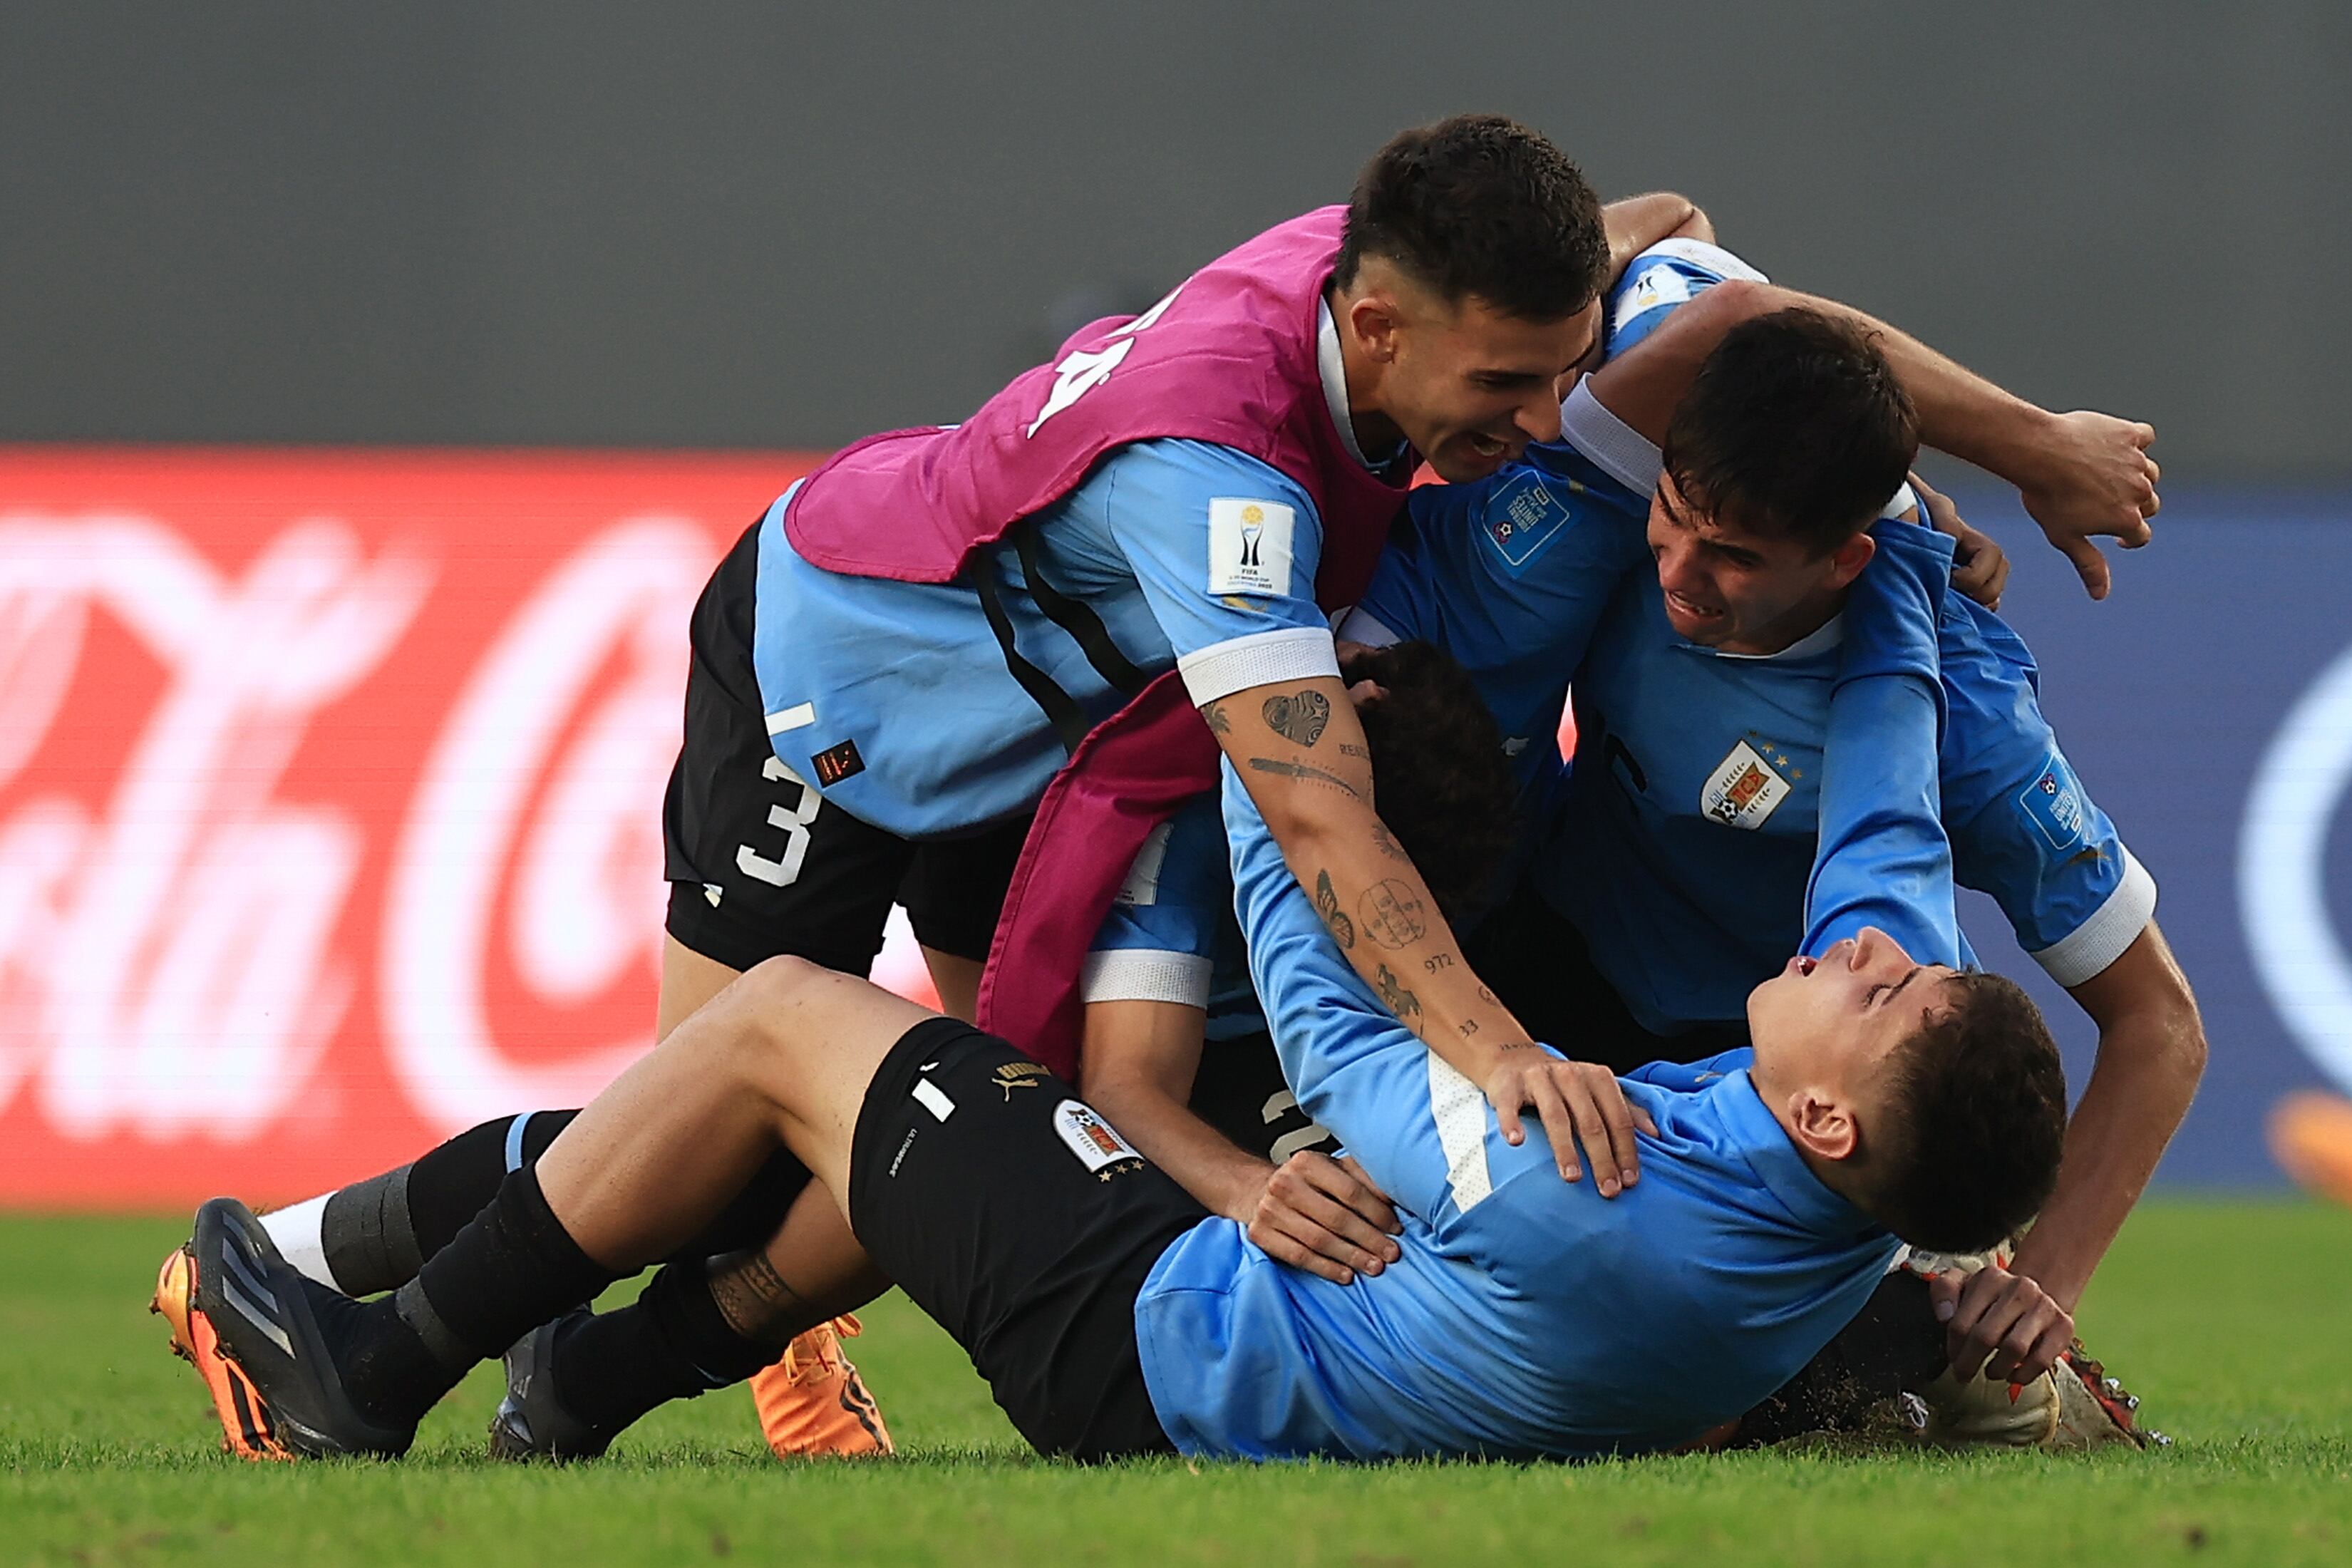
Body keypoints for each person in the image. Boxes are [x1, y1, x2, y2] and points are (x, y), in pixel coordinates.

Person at [159, 625, 2074, 1462]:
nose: (1866, 955)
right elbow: (1891, 831)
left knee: (781, 1033)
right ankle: (547, 1374)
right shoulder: (1818, 1185)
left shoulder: (1584, 1174)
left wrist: (1271, 739)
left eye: (1891, 988)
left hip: (1152, 1352)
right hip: (1209, 1278)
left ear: (1831, 1113)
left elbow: (1326, 1020)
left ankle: (378, 1362)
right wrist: (1905, 567)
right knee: (869, 1119)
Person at [1341, 239, 2199, 1423]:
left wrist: (2046, 1285)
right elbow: (1696, 265)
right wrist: (2029, 444)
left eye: (1735, 558)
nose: (1680, 577)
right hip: (1550, 965)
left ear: (1850, 555)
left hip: (1775, 1079)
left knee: (1691, 1369)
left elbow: (2161, 1024)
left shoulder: (1973, 725)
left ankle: (1936, 1354)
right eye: (1675, 522)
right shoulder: (1643, 461)